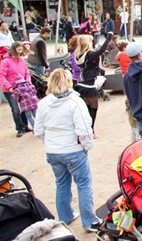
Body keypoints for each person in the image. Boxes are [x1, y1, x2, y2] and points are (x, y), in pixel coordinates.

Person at [34, 69, 100, 232]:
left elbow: (38, 130)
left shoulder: (43, 103)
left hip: (53, 151)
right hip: (73, 150)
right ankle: (89, 221)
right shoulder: (75, 102)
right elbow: (84, 129)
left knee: (62, 184)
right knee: (83, 184)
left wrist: (49, 143)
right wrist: (86, 146)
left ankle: (65, 217)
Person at [75, 33, 113, 136]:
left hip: (81, 82)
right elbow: (100, 52)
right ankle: (90, 130)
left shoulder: (78, 54)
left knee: (87, 108)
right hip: (89, 83)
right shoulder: (89, 54)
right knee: (94, 108)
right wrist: (108, 38)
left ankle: (87, 129)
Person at [0, 42, 31, 137]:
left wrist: (28, 83)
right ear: (14, 50)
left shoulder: (21, 61)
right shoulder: (6, 62)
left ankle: (24, 125)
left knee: (24, 108)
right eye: (19, 50)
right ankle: (19, 128)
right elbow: (2, 76)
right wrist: (9, 87)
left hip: (22, 88)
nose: (20, 52)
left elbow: (27, 73)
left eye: (21, 50)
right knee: (15, 109)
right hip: (10, 89)